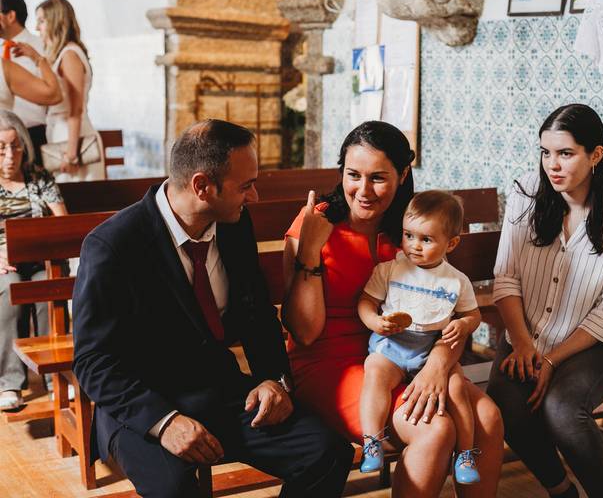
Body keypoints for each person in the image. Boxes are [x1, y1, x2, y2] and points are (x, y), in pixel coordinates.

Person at [72, 119, 353, 498]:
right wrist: (165, 422)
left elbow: (256, 316)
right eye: (246, 185)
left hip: (218, 389)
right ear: (202, 186)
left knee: (328, 453)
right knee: (175, 489)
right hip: (141, 402)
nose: (254, 197)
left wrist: (273, 380)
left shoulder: (234, 223)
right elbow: (94, 362)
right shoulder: (113, 245)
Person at [282, 120, 503, 497]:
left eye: (378, 178)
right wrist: (309, 251)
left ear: (402, 175)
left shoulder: (413, 230)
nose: (363, 190)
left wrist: (437, 365)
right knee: (435, 429)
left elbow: (446, 309)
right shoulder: (315, 223)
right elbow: (304, 332)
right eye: (353, 175)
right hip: (329, 363)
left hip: (412, 354)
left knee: (488, 416)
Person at [486, 103, 603, 498]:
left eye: (565, 153)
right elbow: (505, 278)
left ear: (596, 155)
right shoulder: (526, 193)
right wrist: (524, 345)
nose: (552, 165)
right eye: (546, 152)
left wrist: (550, 360)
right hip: (528, 333)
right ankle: (561, 491)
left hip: (599, 339)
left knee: (562, 410)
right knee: (506, 400)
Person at [357, 190, 483, 484]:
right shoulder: (389, 270)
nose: (414, 245)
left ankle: (465, 454)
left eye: (426, 239)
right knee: (374, 372)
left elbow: (472, 315)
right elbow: (365, 301)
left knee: (456, 389)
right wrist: (375, 322)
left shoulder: (456, 281)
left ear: (451, 243)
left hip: (430, 349)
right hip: (392, 347)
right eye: (408, 235)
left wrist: (464, 325)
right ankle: (372, 441)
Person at [0, 110, 66, 410]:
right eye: (2, 148)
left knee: (49, 287)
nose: (10, 155)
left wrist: (44, 246)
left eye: (16, 146)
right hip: (4, 264)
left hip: (41, 261)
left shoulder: (40, 177)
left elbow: (62, 222)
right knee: (10, 288)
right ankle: (9, 383)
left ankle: (56, 380)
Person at [35, 0, 104, 182]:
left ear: (56, 21)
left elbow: (76, 108)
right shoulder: (62, 54)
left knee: (77, 198)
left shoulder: (70, 55)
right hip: (61, 134)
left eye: (41, 21)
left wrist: (72, 154)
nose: (37, 28)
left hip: (73, 137)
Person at [0, 0, 48, 166]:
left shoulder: (40, 47)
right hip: (3, 137)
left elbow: (53, 91)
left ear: (11, 16)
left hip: (32, 132)